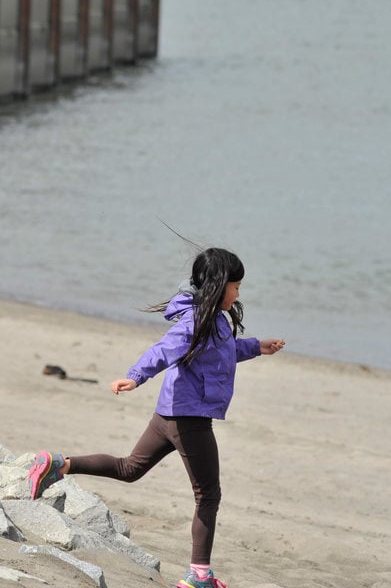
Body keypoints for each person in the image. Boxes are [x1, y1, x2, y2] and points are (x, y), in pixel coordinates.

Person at [27, 247, 285, 588]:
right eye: (235, 286)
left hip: (169, 414)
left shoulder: (213, 318)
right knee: (208, 494)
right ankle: (199, 575)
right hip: (189, 419)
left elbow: (222, 352)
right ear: (219, 285)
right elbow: (163, 350)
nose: (238, 293)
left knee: (129, 468)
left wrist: (255, 346)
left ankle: (59, 464)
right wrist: (135, 376)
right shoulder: (196, 320)